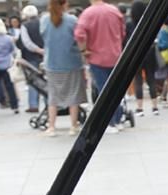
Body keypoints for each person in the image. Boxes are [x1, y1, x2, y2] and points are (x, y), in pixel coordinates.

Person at [76, 0, 125, 132]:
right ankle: (119, 118)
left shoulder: (87, 13)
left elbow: (79, 34)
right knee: (116, 89)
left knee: (104, 91)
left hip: (97, 58)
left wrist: (84, 50)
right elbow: (122, 32)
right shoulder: (114, 11)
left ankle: (110, 123)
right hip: (116, 55)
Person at [41, 0, 84, 136]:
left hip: (52, 63)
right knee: (73, 95)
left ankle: (52, 127)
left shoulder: (44, 20)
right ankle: (73, 126)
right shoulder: (72, 20)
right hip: (72, 62)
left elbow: (44, 39)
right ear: (65, 4)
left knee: (53, 96)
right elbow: (78, 39)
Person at [126, 2, 159, 116]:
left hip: (136, 54)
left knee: (138, 80)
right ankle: (155, 107)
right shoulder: (149, 23)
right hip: (149, 52)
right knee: (151, 79)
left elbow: (126, 40)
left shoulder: (129, 24)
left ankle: (140, 108)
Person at [19, 5, 46, 114]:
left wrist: (37, 49)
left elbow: (26, 42)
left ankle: (33, 105)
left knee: (33, 79)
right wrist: (44, 50)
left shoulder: (25, 25)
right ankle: (49, 102)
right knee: (46, 79)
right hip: (46, 54)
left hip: (31, 56)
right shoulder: (43, 22)